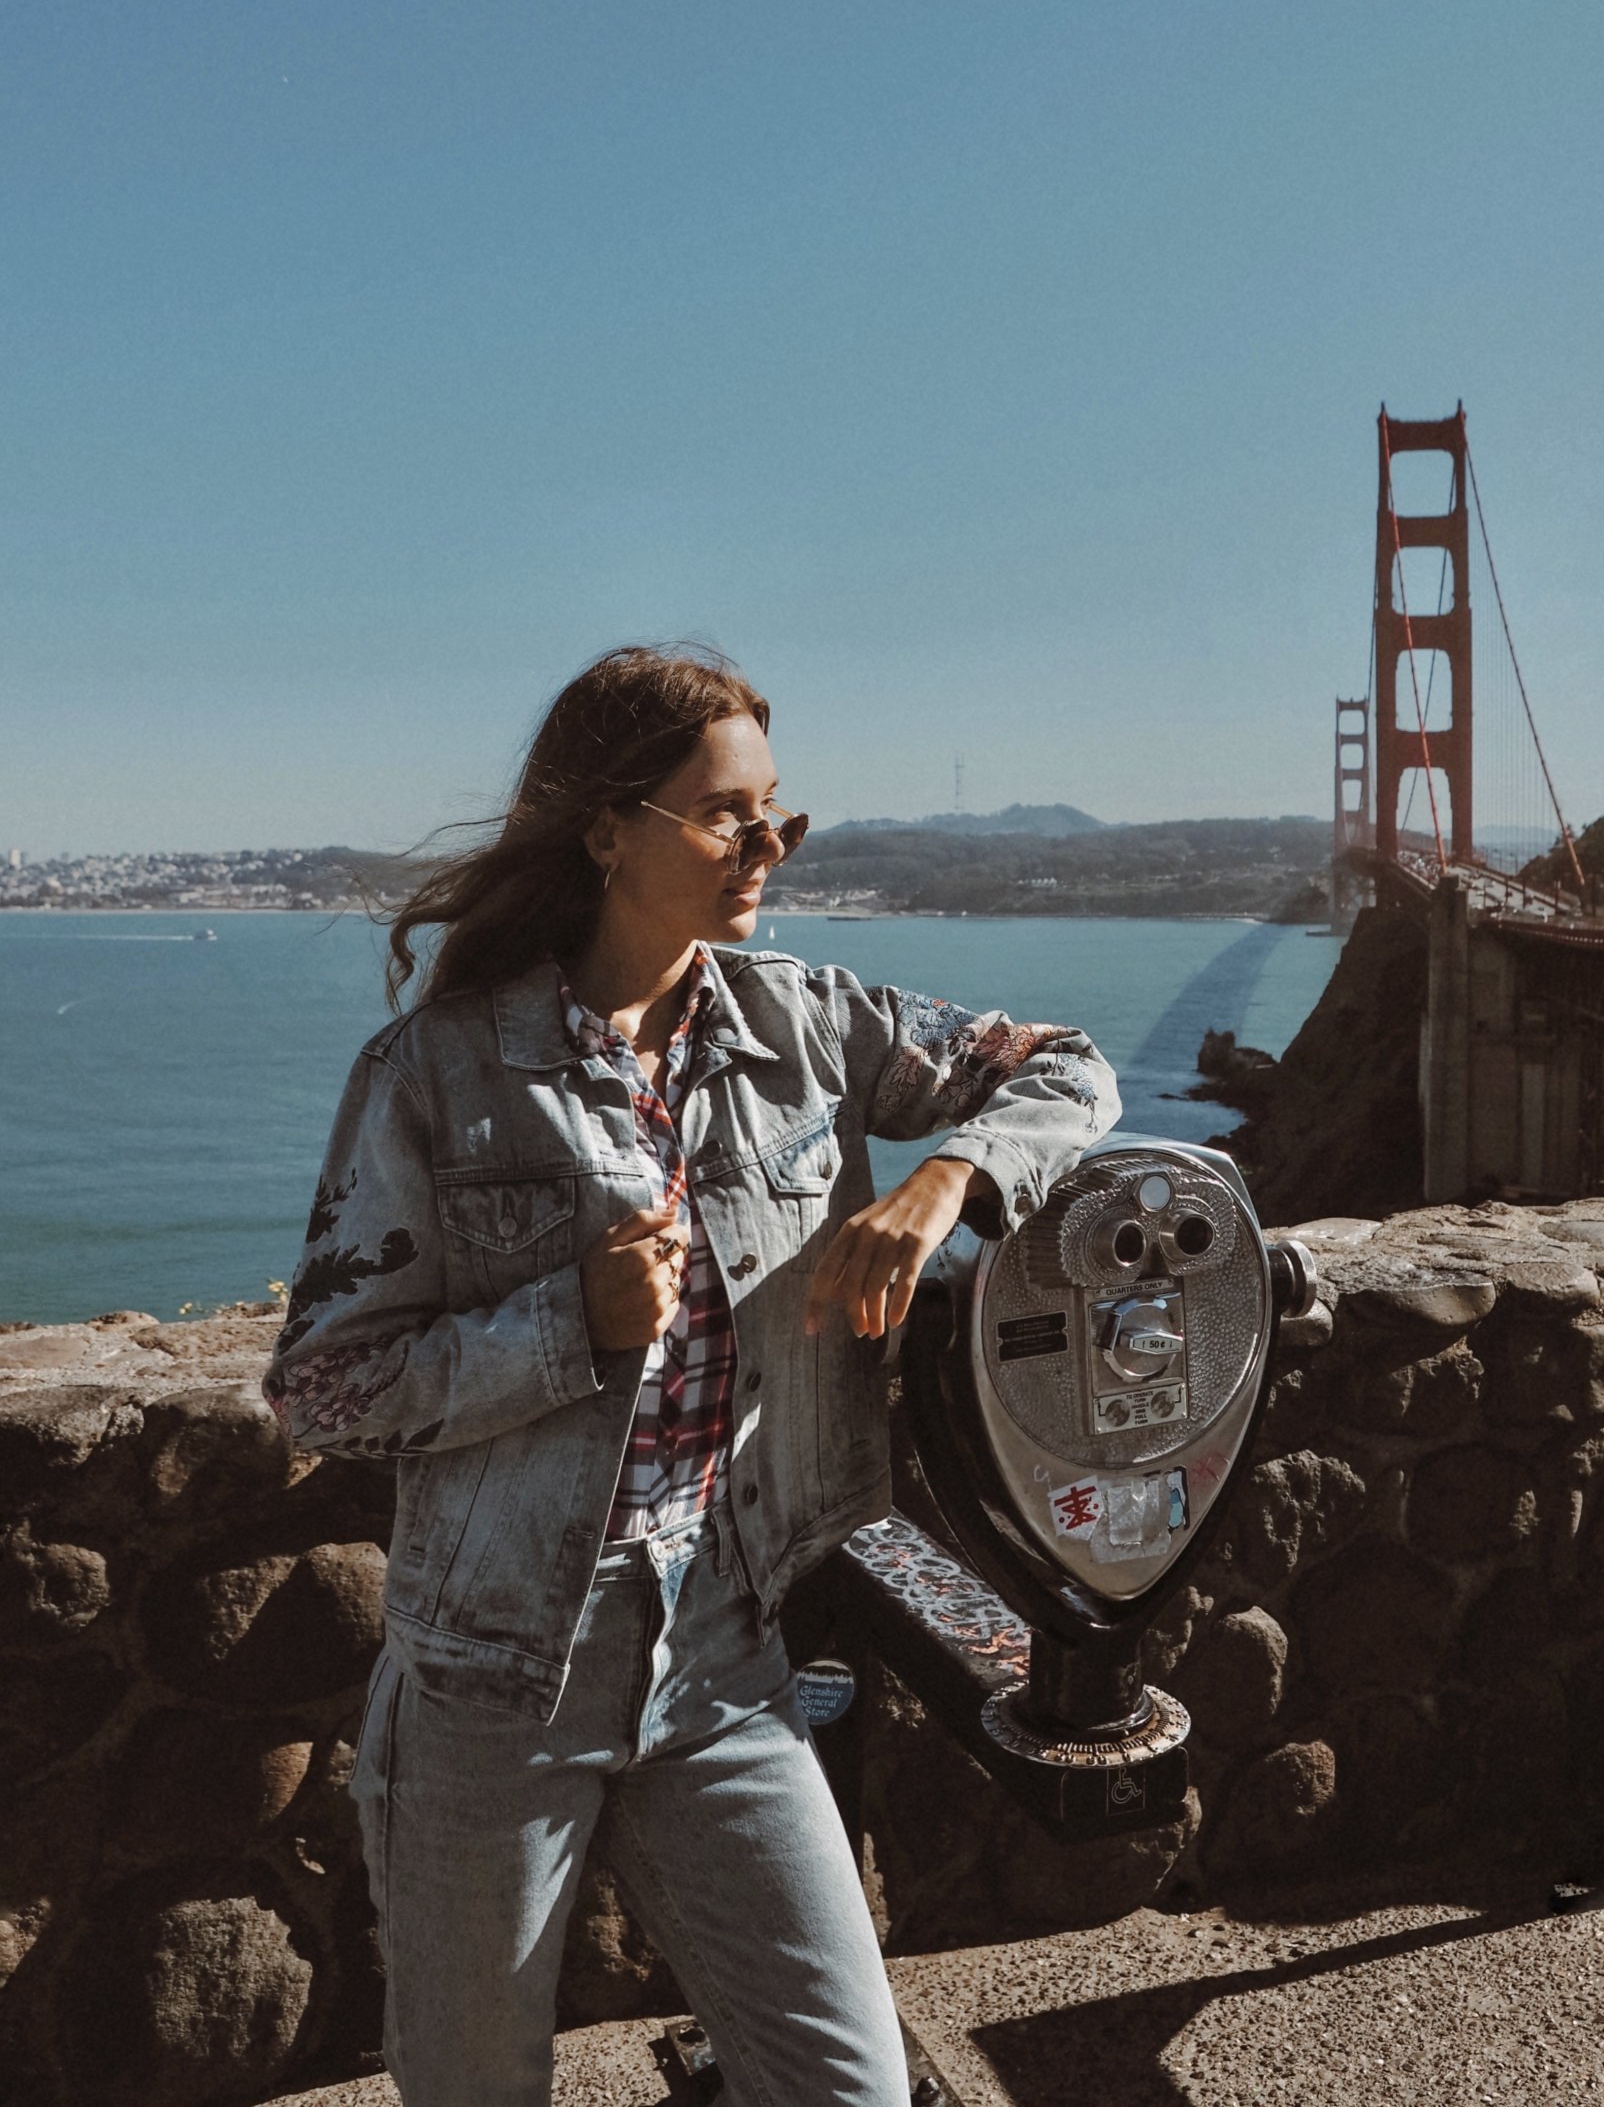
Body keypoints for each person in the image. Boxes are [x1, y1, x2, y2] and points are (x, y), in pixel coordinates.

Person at [264, 645, 1119, 2107]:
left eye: (777, 816)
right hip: (491, 1682)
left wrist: (944, 1185)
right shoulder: (439, 1072)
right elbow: (323, 1391)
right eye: (727, 816)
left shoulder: (806, 1025)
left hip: (722, 1654)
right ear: (606, 829)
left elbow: (1071, 1071)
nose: (765, 850)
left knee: (852, 2088)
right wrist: (565, 1324)